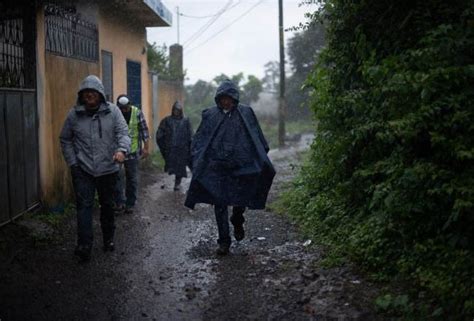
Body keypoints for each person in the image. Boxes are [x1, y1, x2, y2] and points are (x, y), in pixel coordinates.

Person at [184, 79, 275, 255]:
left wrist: (260, 155)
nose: (226, 101)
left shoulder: (246, 113)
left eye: (229, 98)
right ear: (218, 98)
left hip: (241, 166)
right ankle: (224, 241)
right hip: (218, 167)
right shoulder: (210, 115)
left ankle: (238, 218)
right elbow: (200, 138)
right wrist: (197, 159)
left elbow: (256, 136)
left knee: (241, 198)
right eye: (223, 98)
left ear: (234, 97)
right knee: (220, 203)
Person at [60, 75, 130, 262]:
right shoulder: (74, 115)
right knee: (84, 207)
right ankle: (84, 245)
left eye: (93, 92)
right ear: (81, 95)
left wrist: (122, 150)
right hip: (83, 170)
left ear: (100, 94)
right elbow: (65, 139)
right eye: (86, 93)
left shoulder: (113, 112)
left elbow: (123, 133)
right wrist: (73, 163)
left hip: (108, 168)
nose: (89, 95)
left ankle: (108, 239)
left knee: (107, 206)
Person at [114, 94, 150, 214]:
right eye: (121, 108)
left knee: (132, 178)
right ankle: (119, 202)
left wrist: (146, 148)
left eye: (126, 108)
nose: (124, 110)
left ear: (129, 105)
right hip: (118, 151)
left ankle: (130, 203)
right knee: (117, 176)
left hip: (133, 151)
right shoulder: (113, 113)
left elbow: (144, 130)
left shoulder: (137, 113)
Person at [156, 101, 193, 191]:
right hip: (171, 148)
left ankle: (178, 183)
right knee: (172, 166)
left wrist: (190, 145)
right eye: (175, 110)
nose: (176, 112)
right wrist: (164, 144)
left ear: (181, 111)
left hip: (182, 148)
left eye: (178, 110)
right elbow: (160, 133)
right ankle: (174, 180)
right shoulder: (167, 120)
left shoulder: (185, 121)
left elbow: (190, 134)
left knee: (180, 168)